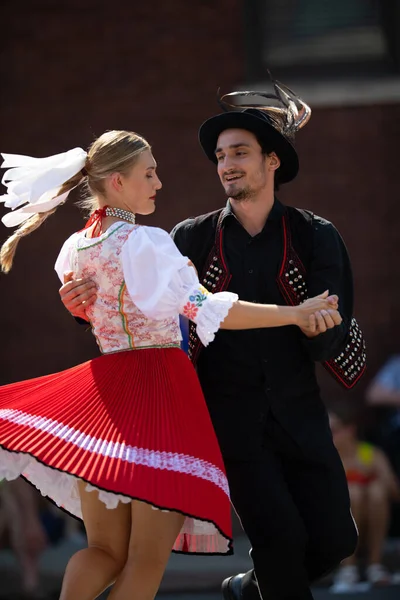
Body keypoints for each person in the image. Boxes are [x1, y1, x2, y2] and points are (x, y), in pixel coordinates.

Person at [59, 81, 365, 600]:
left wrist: (320, 324)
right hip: (225, 418)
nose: (226, 164)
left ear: (273, 162)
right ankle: (266, 580)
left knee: (336, 539)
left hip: (300, 413)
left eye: (240, 153)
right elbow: (142, 304)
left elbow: (332, 317)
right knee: (279, 540)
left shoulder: (316, 234)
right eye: (221, 155)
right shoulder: (187, 238)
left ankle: (249, 589)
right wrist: (78, 307)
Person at [0, 130, 334, 600]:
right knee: (146, 561)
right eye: (149, 173)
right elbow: (208, 308)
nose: (159, 182)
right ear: (117, 182)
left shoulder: (74, 248)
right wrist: (294, 314)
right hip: (159, 398)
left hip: (105, 403)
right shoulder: (147, 242)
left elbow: (95, 307)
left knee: (103, 551)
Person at [329, 407, 400, 590]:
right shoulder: (327, 457)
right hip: (335, 527)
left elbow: (394, 493)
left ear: (350, 429)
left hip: (372, 522)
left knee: (376, 490)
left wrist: (377, 476)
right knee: (353, 492)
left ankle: (374, 566)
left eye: (334, 430)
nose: (329, 435)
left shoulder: (369, 453)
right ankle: (348, 568)